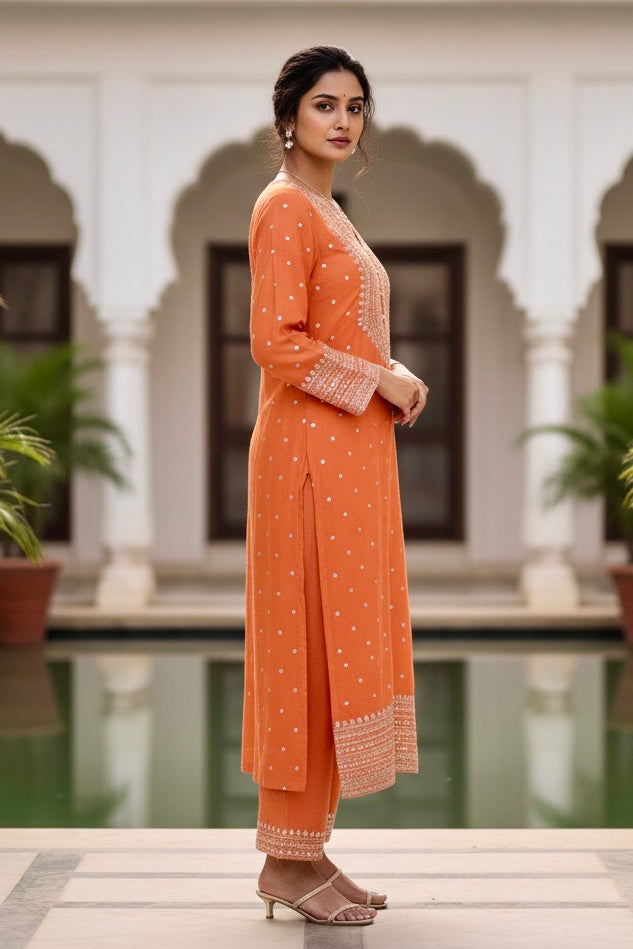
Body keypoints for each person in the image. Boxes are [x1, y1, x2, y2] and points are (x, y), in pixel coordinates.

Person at [241, 45, 428, 927]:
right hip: (309, 459)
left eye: (355, 105)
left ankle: (307, 848)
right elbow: (274, 343)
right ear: (289, 117)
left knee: (334, 641)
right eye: (325, 104)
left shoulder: (326, 209)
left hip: (348, 455)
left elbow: (330, 326)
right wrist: (378, 381)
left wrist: (387, 366)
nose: (344, 120)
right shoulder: (285, 209)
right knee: (305, 645)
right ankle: (286, 859)